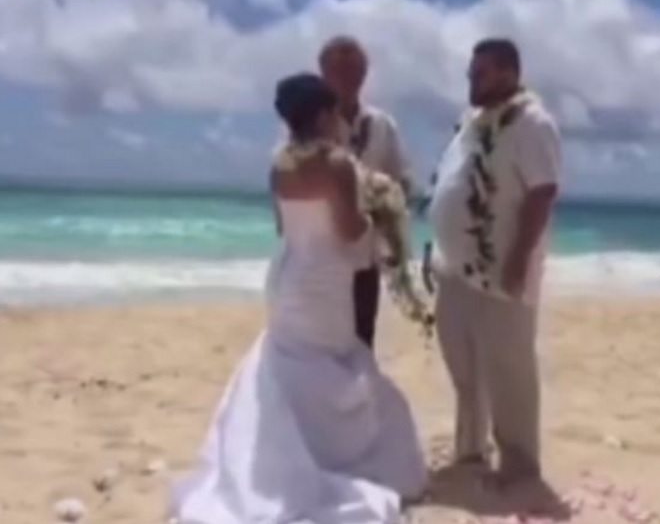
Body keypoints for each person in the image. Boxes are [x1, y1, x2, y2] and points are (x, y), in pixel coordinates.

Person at [172, 74, 426, 524]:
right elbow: (348, 232)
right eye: (336, 113)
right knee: (330, 363)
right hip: (325, 282)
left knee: (294, 363)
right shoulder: (337, 164)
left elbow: (281, 227)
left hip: (289, 276)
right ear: (325, 114)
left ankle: (298, 455)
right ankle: (333, 460)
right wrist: (379, 219)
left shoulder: (279, 166)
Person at [427, 38, 561, 487]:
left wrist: (518, 258)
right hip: (455, 267)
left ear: (508, 73)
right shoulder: (473, 123)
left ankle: (520, 464)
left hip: (502, 268)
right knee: (463, 363)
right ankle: (471, 450)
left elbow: (542, 193)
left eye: (479, 73)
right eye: (471, 73)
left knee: (508, 368)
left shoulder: (532, 123)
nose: (471, 81)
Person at [319, 35, 411, 350]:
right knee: (322, 345)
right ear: (324, 74)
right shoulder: (308, 125)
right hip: (323, 257)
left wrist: (387, 205)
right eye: (339, 71)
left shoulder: (383, 124)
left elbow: (402, 181)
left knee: (361, 341)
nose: (348, 79)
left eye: (355, 71)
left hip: (366, 257)